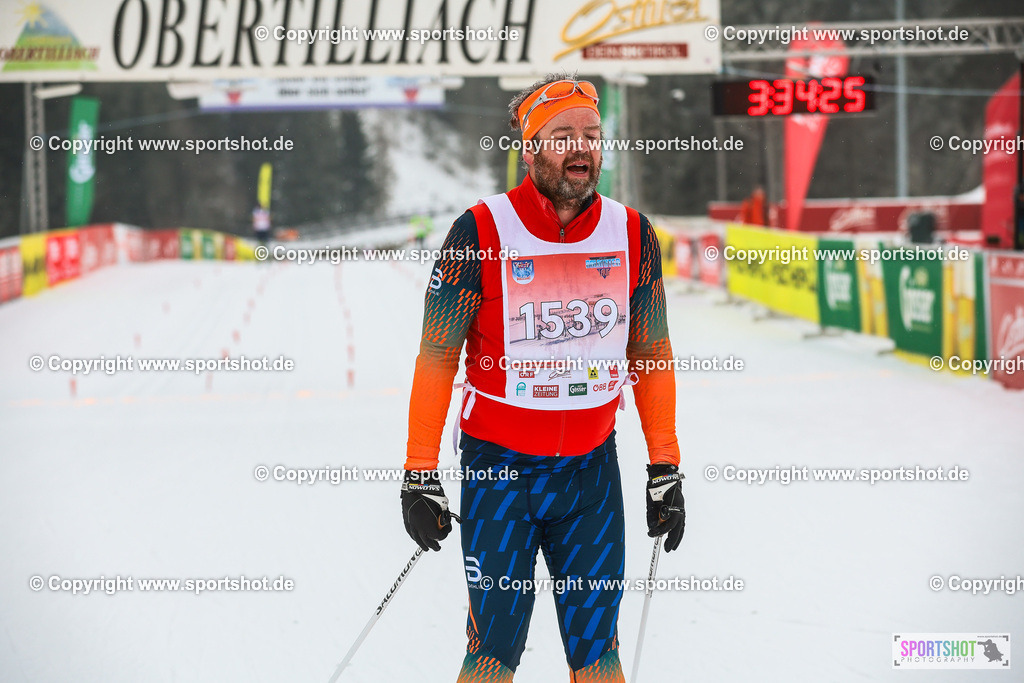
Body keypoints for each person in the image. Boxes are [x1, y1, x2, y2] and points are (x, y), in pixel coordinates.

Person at [400, 73, 685, 682]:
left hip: (590, 473)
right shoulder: (478, 232)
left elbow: (652, 353)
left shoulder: (633, 234)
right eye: (562, 136)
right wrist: (419, 474)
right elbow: (436, 357)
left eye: (591, 133)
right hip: (498, 471)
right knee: (492, 655)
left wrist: (665, 466)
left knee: (598, 655)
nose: (581, 148)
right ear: (528, 149)